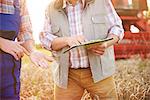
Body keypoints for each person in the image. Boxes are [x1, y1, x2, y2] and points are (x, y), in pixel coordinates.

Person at [40, 0, 124, 99]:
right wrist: (67, 40)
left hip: (100, 74)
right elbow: (45, 38)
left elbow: (117, 27)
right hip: (67, 77)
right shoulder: (51, 8)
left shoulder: (102, 2)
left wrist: (106, 43)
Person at [0, 0, 54, 99]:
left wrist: (32, 51)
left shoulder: (20, 1)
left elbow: (24, 32)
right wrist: (2, 42)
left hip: (9, 72)